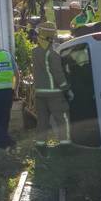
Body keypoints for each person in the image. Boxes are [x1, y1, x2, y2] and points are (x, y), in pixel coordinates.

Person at [32, 22, 72, 152]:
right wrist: (66, 89)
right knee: (62, 119)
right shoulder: (53, 55)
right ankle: (65, 146)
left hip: (39, 93)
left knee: (42, 121)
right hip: (54, 93)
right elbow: (58, 74)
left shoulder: (35, 52)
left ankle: (40, 145)